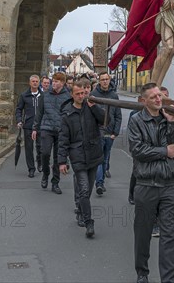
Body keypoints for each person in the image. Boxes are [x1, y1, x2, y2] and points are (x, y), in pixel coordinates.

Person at [128, 82, 174, 283]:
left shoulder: (170, 118)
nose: (159, 99)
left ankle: (169, 279)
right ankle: (142, 273)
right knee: (143, 234)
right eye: (154, 97)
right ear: (144, 101)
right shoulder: (136, 121)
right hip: (146, 185)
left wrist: (172, 123)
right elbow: (137, 150)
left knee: (168, 236)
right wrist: (163, 151)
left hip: (169, 185)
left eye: (160, 96)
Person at [58, 80, 106, 238]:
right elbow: (63, 139)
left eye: (83, 93)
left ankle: (80, 207)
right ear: (72, 95)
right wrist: (62, 161)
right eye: (77, 93)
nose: (81, 96)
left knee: (88, 190)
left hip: (93, 154)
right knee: (84, 189)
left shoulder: (91, 108)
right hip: (77, 156)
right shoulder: (67, 114)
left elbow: (105, 120)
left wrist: (95, 107)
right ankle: (88, 222)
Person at [32, 72, 71, 195]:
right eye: (53, 81)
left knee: (57, 158)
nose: (53, 83)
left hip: (60, 130)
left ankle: (55, 182)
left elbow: (69, 114)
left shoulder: (67, 96)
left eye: (57, 81)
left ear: (62, 83)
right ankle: (45, 174)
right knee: (45, 152)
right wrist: (35, 128)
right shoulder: (45, 95)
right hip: (46, 128)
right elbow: (39, 112)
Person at [91, 71, 122, 195]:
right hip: (97, 132)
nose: (104, 81)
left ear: (109, 80)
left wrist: (116, 132)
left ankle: (101, 181)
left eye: (106, 79)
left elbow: (118, 115)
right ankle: (99, 183)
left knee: (105, 158)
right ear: (99, 81)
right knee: (99, 158)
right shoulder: (94, 94)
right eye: (102, 79)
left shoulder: (114, 95)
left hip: (110, 133)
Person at [15, 74, 42, 177]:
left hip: (40, 125)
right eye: (33, 81)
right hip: (28, 125)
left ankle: (39, 161)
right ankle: (31, 168)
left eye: (36, 81)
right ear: (30, 83)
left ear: (39, 83)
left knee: (41, 147)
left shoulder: (43, 96)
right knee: (29, 148)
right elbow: (19, 109)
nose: (35, 83)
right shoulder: (24, 95)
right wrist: (19, 120)